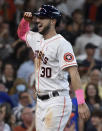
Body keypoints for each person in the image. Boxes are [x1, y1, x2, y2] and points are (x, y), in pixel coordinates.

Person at [17, 4, 90, 131]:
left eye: (42, 18)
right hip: (40, 102)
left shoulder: (62, 44)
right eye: (38, 17)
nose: (38, 20)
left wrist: (81, 102)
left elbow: (74, 73)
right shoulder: (37, 38)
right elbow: (22, 34)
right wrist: (25, 21)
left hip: (57, 100)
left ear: (53, 20)